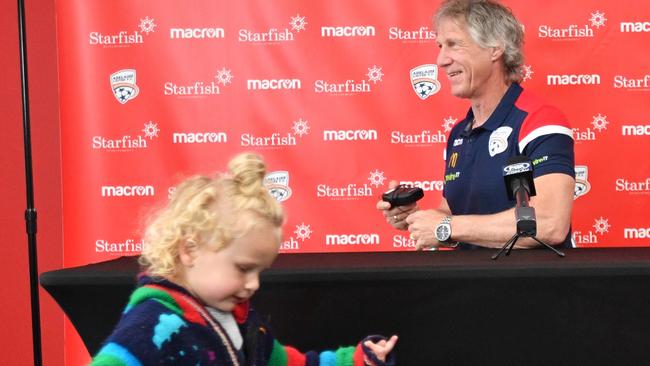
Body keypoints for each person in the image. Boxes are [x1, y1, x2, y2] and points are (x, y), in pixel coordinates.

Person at [92, 152, 397, 365]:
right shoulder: (154, 324)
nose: (253, 284)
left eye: (259, 271)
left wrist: (354, 360)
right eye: (243, 268)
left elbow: (290, 364)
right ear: (189, 250)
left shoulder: (242, 324)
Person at [378, 0, 575, 250]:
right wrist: (417, 218)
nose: (440, 60)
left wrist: (446, 227)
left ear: (495, 48)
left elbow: (550, 224)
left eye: (453, 44)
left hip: (529, 286)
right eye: (440, 46)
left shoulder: (539, 120)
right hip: (470, 285)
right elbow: (456, 213)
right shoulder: (459, 132)